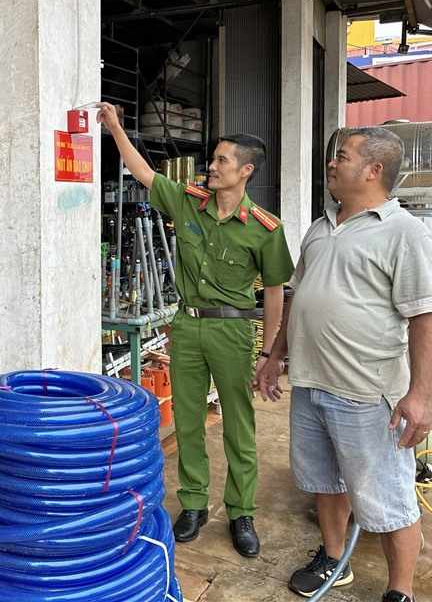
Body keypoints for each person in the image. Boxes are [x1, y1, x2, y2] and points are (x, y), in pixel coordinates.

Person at [99, 102, 294, 557]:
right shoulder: (188, 200)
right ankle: (192, 504)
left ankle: (241, 511)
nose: (213, 165)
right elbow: (144, 174)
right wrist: (115, 129)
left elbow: (273, 291)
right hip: (185, 328)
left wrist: (268, 353)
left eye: (222, 160)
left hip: (232, 334)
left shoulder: (265, 229)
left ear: (245, 170)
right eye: (213, 158)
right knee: (187, 422)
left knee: (238, 428)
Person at [256, 127, 432, 602]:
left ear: (374, 170)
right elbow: (297, 298)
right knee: (324, 482)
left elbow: (425, 319)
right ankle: (335, 560)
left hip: (367, 393)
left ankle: (400, 590)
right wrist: (275, 355)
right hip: (312, 383)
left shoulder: (404, 233)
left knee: (388, 499)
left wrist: (419, 396)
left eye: (342, 156)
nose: (332, 164)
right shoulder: (320, 228)